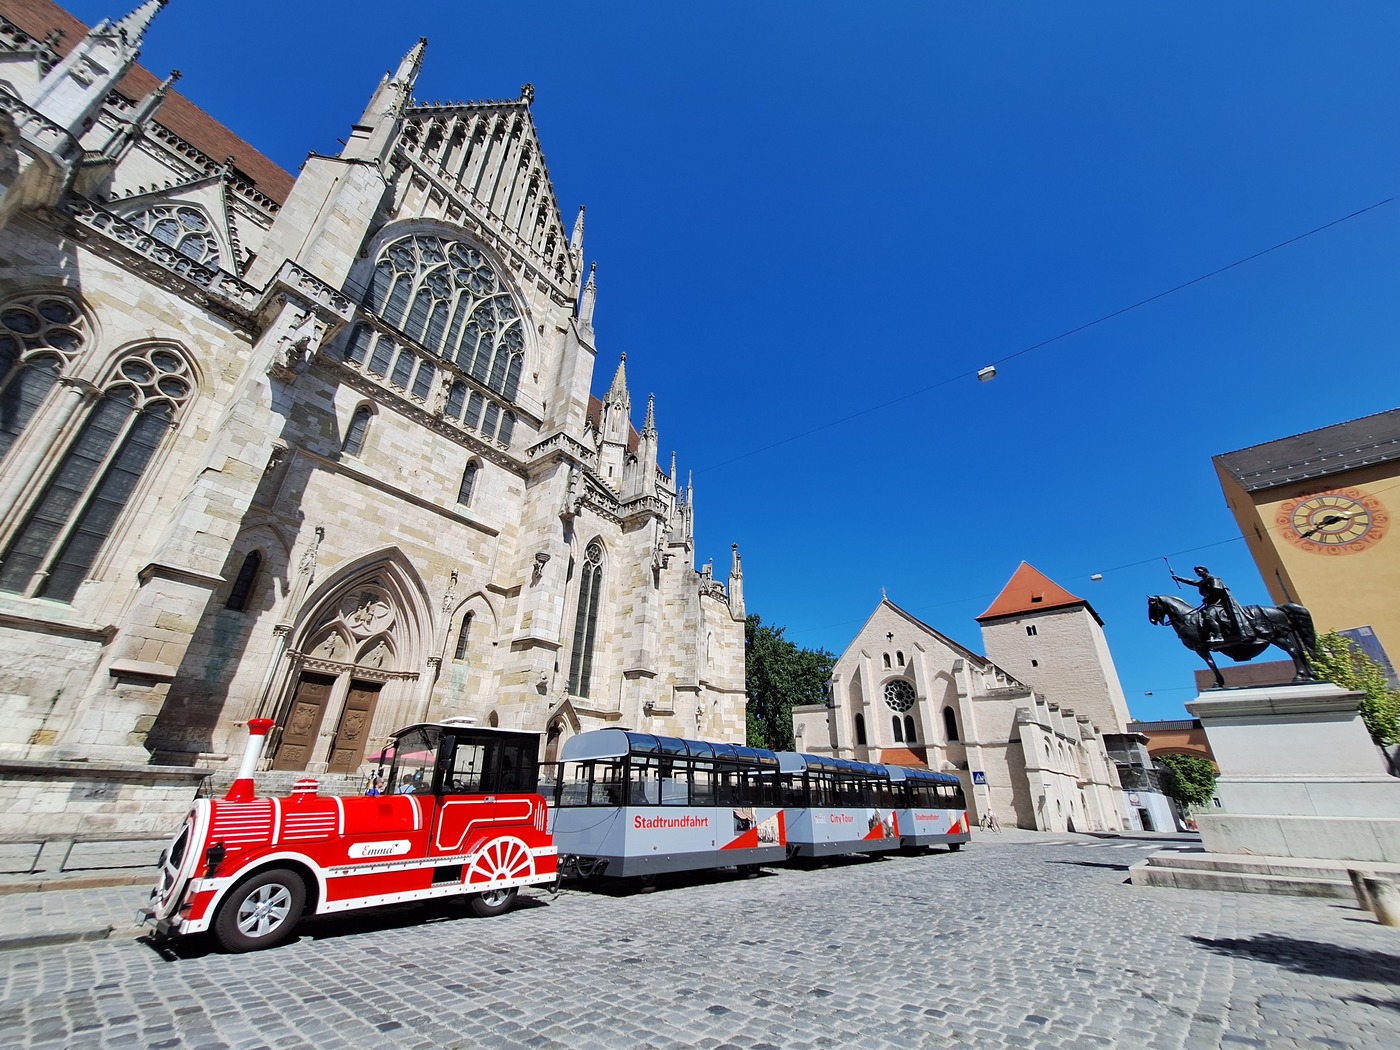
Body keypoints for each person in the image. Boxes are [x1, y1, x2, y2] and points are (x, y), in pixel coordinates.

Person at [1172, 565, 1246, 645]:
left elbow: (1217, 591)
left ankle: (1219, 636)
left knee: (1209, 616)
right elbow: (1192, 582)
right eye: (1196, 572)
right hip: (1210, 604)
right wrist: (1178, 578)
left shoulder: (1213, 579)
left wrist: (1207, 598)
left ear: (1205, 570)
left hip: (1218, 603)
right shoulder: (1202, 581)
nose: (1198, 573)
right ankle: (1210, 634)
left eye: (1199, 571)